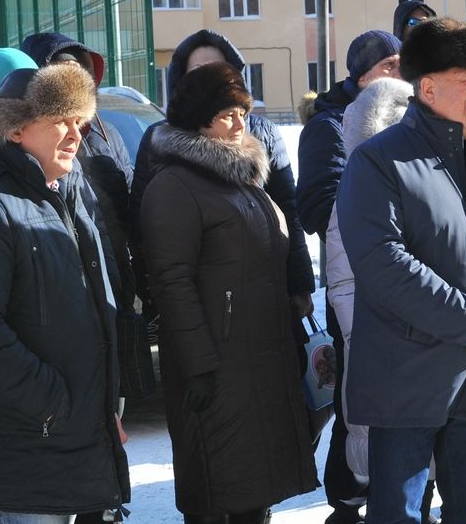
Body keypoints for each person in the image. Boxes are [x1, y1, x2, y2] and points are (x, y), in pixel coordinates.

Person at [338, 18, 466, 524]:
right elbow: (383, 263)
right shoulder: (379, 162)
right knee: (399, 514)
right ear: (426, 87)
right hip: (407, 378)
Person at [0, 64, 130, 522]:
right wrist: (54, 403)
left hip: (79, 431)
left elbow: (95, 308)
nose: (75, 134)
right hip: (26, 441)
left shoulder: (69, 193)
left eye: (80, 120)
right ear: (15, 129)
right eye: (60, 120)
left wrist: (105, 403)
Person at [140, 62, 317, 524]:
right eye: (227, 115)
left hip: (258, 359)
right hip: (216, 367)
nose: (240, 124)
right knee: (217, 490)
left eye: (244, 112)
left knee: (252, 491)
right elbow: (171, 281)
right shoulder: (175, 185)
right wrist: (199, 365)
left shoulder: (242, 177)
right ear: (199, 119)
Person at [131, 29, 315, 321]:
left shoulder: (261, 132)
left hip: (267, 288)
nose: (211, 78)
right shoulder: (159, 139)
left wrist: (300, 282)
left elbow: (287, 208)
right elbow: (143, 221)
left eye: (220, 69)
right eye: (199, 71)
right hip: (204, 299)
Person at [297, 28, 402, 524]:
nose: (400, 78)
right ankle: (347, 497)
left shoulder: (407, 122)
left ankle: (398, 490)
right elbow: (316, 204)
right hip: (352, 283)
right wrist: (367, 205)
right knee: (355, 396)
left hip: (396, 284)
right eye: (389, 69)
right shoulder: (330, 126)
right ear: (363, 78)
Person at [21, 32, 152, 399]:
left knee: (119, 389)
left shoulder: (106, 131)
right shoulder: (37, 139)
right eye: (62, 74)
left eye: (81, 73)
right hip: (70, 281)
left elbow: (128, 199)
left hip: (116, 276)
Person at [323, 77, 416, 506]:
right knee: (389, 473)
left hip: (416, 347)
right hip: (377, 345)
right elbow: (343, 284)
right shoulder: (358, 193)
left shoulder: (421, 187)